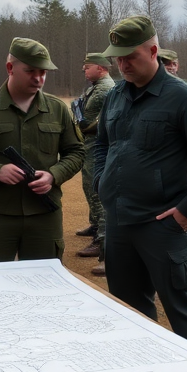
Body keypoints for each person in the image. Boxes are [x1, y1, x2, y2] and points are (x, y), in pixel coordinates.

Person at [91, 16, 187, 372]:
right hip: (121, 222)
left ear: (153, 52)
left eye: (130, 57)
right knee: (131, 307)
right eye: (117, 59)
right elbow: (101, 145)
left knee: (180, 304)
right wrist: (102, 182)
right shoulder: (115, 97)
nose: (123, 66)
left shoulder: (183, 98)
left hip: (162, 224)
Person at [0, 38, 85, 263]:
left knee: (44, 285)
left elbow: (77, 152)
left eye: (43, 72)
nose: (38, 78)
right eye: (30, 70)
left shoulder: (57, 109)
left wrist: (54, 175)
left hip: (44, 215)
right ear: (10, 68)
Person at [74, 53, 116, 273]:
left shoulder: (106, 88)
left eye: (87, 66)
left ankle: (102, 238)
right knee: (89, 186)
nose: (84, 70)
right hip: (89, 144)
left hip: (98, 145)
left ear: (100, 68)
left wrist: (84, 127)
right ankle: (96, 226)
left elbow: (103, 120)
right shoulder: (96, 86)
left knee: (96, 190)